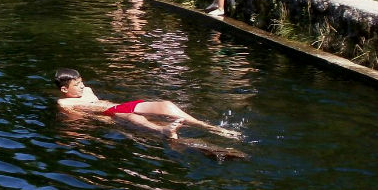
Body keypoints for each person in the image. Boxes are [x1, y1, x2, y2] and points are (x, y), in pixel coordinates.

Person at [54, 68, 239, 139]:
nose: (82, 86)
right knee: (131, 116)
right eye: (76, 85)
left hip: (120, 105)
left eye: (81, 82)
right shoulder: (64, 103)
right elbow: (79, 123)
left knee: (166, 104)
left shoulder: (87, 91)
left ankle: (212, 128)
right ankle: (163, 130)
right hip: (109, 114)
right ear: (64, 89)